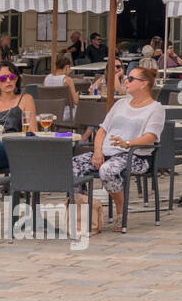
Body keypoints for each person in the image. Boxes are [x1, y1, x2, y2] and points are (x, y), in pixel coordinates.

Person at [70, 66, 166, 232]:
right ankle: (83, 215)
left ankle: (122, 211)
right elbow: (102, 130)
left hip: (135, 156)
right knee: (73, 165)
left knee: (108, 170)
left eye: (130, 78)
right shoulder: (120, 103)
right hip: (107, 152)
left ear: (144, 84)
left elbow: (150, 137)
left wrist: (127, 143)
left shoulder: (155, 108)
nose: (125, 81)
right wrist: (98, 151)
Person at [0, 62, 37, 180]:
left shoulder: (25, 99)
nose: (8, 81)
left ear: (17, 79)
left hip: (13, 150)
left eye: (12, 77)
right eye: (3, 78)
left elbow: (33, 132)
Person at [44, 54, 80, 123]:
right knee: (87, 110)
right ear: (67, 67)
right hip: (65, 113)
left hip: (49, 111)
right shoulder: (67, 80)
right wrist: (77, 95)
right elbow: (76, 101)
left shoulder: (47, 78)